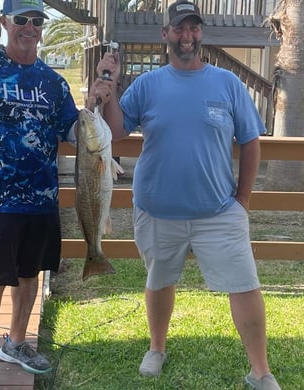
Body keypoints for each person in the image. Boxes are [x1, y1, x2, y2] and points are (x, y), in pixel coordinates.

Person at [95, 1, 282, 389]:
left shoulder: (228, 83)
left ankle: (260, 371)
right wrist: (109, 92)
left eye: (194, 28)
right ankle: (157, 348)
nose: (187, 36)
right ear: (166, 34)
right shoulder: (148, 84)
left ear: (201, 33)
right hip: (157, 208)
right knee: (160, 279)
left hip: (219, 210)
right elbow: (114, 133)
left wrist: (243, 200)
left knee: (245, 284)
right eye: (179, 29)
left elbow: (250, 142)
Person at [0, 0, 112, 389]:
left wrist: (99, 98)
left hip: (42, 199)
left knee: (29, 274)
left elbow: (76, 132)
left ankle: (16, 342)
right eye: (22, 20)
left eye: (37, 21)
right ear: (4, 23)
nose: (30, 27)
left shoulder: (53, 83)